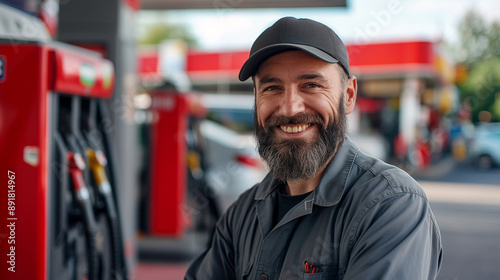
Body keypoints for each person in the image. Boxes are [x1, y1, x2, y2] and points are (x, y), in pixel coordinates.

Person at [185, 17, 442, 280]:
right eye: (272, 88)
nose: (290, 108)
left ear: (349, 96)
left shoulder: (392, 205)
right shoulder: (242, 214)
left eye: (311, 85)